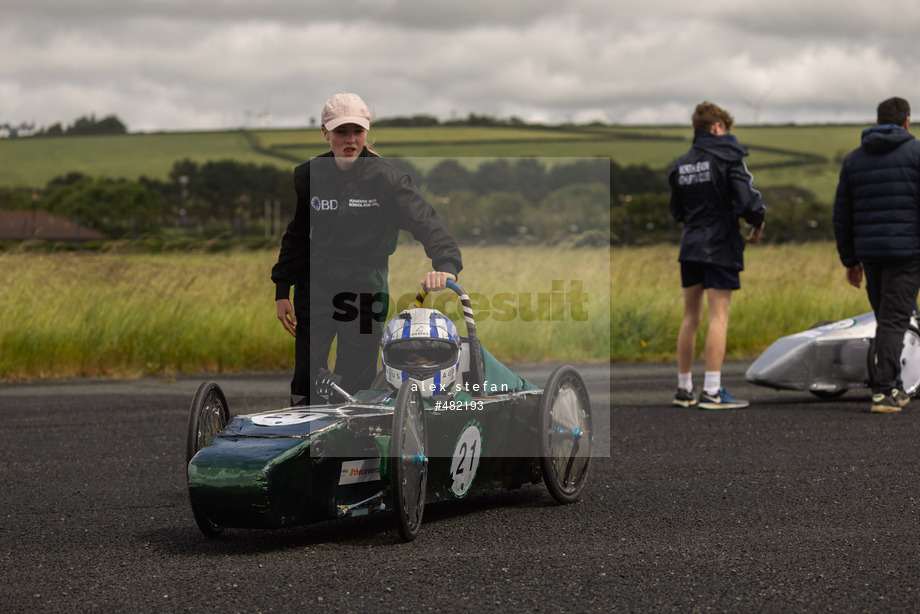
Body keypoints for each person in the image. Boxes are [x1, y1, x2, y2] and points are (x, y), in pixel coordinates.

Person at [271, 92, 462, 405]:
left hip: (364, 285)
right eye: (341, 132)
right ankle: (304, 442)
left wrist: (446, 265)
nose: (350, 140)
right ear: (325, 132)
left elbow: (428, 223)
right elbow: (296, 235)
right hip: (315, 282)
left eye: (357, 131)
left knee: (355, 373)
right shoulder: (309, 175)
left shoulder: (387, 181)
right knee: (308, 370)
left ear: (367, 132)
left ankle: (351, 439)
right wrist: (282, 288)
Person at [668, 102, 766, 410]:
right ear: (717, 127)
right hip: (721, 244)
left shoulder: (680, 165)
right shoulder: (729, 158)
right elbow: (749, 200)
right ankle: (712, 390)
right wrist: (757, 219)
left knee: (690, 317)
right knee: (718, 317)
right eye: (726, 128)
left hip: (690, 246)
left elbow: (677, 211)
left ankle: (684, 389)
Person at [833, 96, 920, 414]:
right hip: (907, 253)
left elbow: (842, 215)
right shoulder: (916, 153)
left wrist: (850, 259)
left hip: (870, 254)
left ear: (877, 121)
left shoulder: (854, 159)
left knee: (888, 320)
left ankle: (894, 383)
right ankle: (884, 391)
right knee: (894, 321)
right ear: (907, 121)